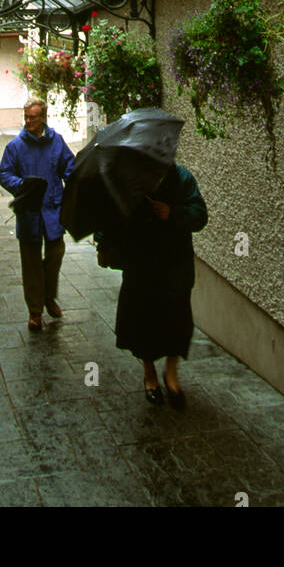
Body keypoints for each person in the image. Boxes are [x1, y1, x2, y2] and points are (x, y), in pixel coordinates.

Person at [96, 162, 207, 409]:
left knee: (177, 320)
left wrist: (173, 212)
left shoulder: (182, 179)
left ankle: (171, 374)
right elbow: (111, 214)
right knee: (142, 320)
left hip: (174, 264)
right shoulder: (129, 180)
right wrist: (103, 244)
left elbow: (200, 215)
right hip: (141, 264)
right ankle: (150, 376)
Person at [0, 98, 75, 332]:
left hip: (52, 209)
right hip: (29, 212)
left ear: (43, 118)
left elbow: (69, 168)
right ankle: (35, 312)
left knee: (56, 254)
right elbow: (4, 174)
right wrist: (21, 185)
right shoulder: (15, 146)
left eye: (32, 117)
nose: (28, 121)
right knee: (30, 263)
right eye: (26, 117)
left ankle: (48, 295)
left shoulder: (57, 142)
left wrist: (76, 181)